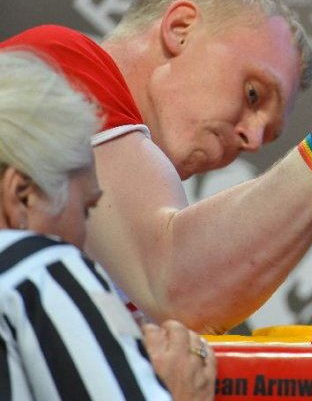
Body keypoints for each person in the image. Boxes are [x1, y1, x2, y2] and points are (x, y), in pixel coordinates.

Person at [0, 0, 312, 333]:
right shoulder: (58, 62)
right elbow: (175, 288)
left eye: (270, 133)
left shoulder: (117, 224)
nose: (254, 139)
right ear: (180, 28)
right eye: (254, 94)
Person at [0, 49, 216, 400]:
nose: (85, 239)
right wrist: (178, 389)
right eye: (86, 209)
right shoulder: (40, 268)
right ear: (22, 196)